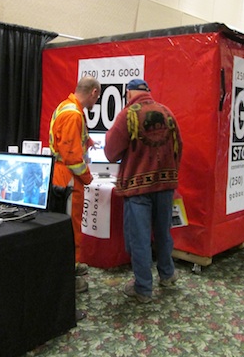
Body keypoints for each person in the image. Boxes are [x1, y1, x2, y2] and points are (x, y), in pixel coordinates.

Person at [104, 78, 183, 304]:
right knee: (162, 233)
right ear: (147, 91)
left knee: (139, 239)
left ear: (128, 94)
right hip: (165, 185)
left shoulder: (128, 115)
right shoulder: (167, 113)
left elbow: (110, 152)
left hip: (138, 189)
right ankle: (167, 275)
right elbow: (179, 147)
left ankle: (143, 289)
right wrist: (171, 176)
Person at [49, 76, 101, 293]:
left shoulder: (66, 106)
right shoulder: (73, 114)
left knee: (71, 224)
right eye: (97, 98)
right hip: (69, 177)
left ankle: (74, 265)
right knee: (71, 227)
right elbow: (72, 157)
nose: (96, 103)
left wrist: (88, 142)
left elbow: (69, 138)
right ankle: (69, 276)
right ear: (94, 93)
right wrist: (88, 178)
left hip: (63, 175)